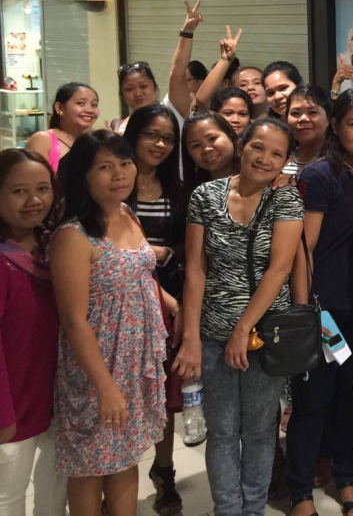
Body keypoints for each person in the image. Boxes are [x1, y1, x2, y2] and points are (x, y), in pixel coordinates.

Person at [173, 118, 305, 516]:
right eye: (257, 147)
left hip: (266, 334)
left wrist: (243, 328)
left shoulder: (286, 199)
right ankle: (228, 509)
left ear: (285, 161)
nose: (264, 159)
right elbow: (196, 269)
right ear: (241, 145)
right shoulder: (206, 196)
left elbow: (280, 269)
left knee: (260, 431)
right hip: (214, 332)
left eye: (276, 154)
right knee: (223, 431)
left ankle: (254, 509)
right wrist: (191, 337)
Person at [51, 131, 172, 516]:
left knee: (126, 455)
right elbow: (73, 320)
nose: (119, 174)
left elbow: (140, 274)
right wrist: (105, 386)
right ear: (84, 175)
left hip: (134, 361)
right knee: (90, 464)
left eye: (125, 163)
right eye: (104, 167)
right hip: (97, 367)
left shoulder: (125, 213)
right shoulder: (72, 235)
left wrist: (177, 306)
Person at [286, 89, 353, 516]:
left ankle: (346, 478)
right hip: (324, 310)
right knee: (313, 400)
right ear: (336, 127)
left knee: (348, 395)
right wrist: (307, 311)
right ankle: (300, 492)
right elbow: (302, 249)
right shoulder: (321, 175)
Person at [122, 106, 188, 516]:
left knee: (165, 391)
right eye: (151, 134)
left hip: (170, 297)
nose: (160, 144)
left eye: (168, 138)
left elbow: (189, 243)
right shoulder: (115, 181)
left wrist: (167, 254)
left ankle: (164, 471)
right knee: (124, 390)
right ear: (133, 134)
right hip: (123, 302)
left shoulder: (177, 189)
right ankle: (117, 472)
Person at [0, 149, 65, 516]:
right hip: (12, 403)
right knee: (8, 497)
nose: (34, 200)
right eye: (18, 191)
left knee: (55, 489)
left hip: (57, 394)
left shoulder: (55, 245)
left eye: (43, 188)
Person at [27, 82, 100, 176]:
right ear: (59, 108)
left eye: (94, 105)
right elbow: (33, 181)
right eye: (81, 103)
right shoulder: (43, 140)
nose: (89, 110)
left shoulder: (94, 143)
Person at [283, 85, 331, 178]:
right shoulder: (279, 158)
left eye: (312, 112)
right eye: (295, 113)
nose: (303, 118)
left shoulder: (340, 162)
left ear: (328, 118)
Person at [181, 111, 240, 187]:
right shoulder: (194, 192)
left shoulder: (254, 181)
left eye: (212, 138)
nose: (206, 149)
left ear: (230, 136)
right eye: (196, 145)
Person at [110, 63, 160, 134]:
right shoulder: (117, 128)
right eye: (129, 89)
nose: (138, 94)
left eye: (143, 86)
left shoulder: (171, 119)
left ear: (156, 89)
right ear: (122, 95)